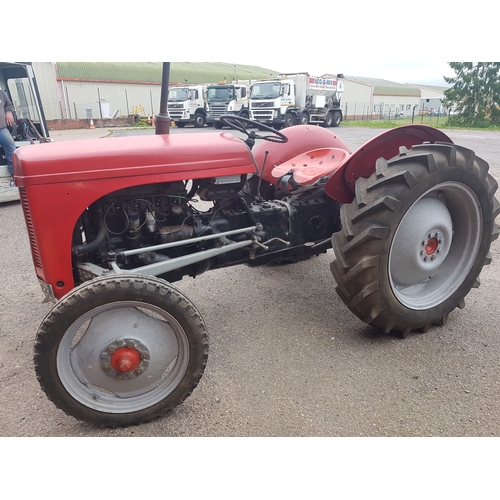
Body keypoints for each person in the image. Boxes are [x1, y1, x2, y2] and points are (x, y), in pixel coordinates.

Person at [0, 89, 17, 186]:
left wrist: (9, 112)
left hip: (1, 128)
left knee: (11, 147)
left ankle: (16, 176)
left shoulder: (1, 93)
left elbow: (9, 105)